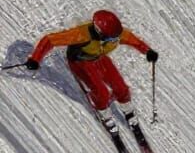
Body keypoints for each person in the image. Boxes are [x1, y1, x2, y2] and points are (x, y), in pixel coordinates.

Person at [25, 9, 159, 120]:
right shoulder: (81, 34)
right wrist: (35, 59)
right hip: (80, 62)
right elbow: (50, 40)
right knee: (102, 93)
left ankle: (127, 108)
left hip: (99, 58)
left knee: (121, 87)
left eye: (116, 37)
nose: (115, 40)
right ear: (99, 31)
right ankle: (103, 112)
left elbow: (133, 40)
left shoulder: (116, 34)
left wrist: (147, 51)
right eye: (111, 38)